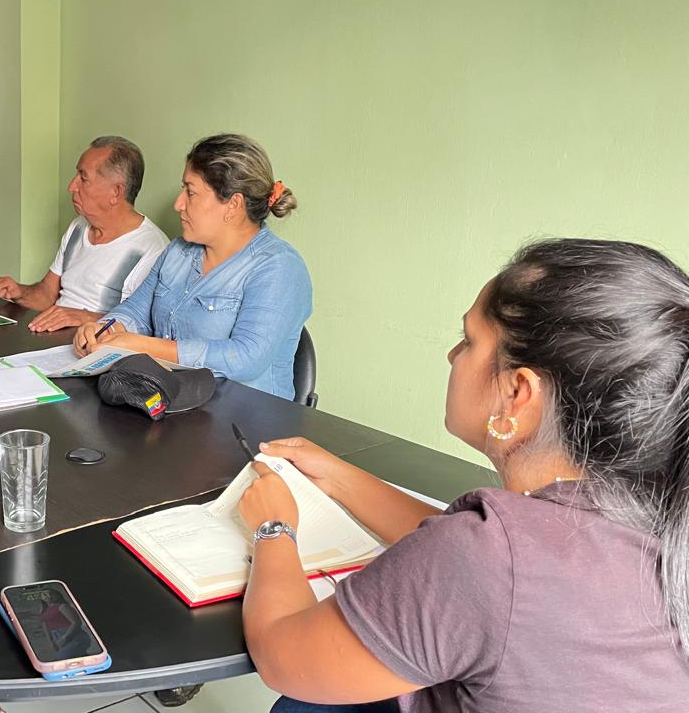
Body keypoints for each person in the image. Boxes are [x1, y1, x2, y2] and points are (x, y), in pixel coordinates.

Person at [238, 238, 689, 712]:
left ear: (517, 394)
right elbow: (486, 569)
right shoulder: (654, 516)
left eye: (470, 340)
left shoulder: (489, 560)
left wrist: (273, 527)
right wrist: (340, 477)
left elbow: (283, 656)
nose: (453, 355)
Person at [73, 133, 311, 399]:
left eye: (191, 192)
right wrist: (107, 328)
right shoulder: (178, 251)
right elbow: (137, 311)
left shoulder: (280, 267)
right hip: (174, 402)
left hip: (249, 418)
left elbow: (246, 357)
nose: (178, 204)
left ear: (233, 205)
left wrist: (144, 346)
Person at [0, 136, 168, 332]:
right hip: (52, 337)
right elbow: (47, 293)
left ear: (116, 192)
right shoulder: (78, 227)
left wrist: (85, 318)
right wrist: (20, 292)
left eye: (83, 178)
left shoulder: (152, 248)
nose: (72, 186)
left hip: (96, 344)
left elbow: (145, 326)